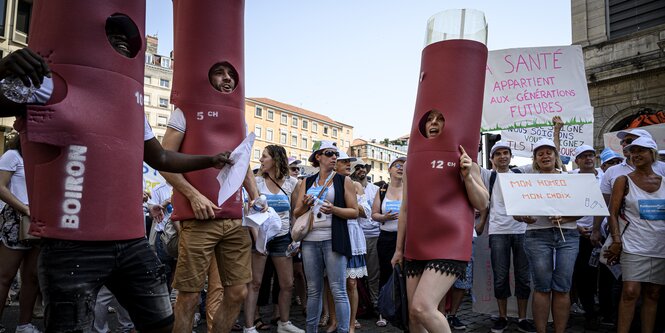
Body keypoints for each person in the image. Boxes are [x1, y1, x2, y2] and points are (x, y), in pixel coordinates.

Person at [0, 16, 236, 331]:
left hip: (130, 241)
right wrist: (4, 70)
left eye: (126, 45)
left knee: (162, 325)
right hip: (73, 244)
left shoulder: (133, 106)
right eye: (112, 40)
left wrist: (209, 159)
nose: (119, 50)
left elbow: (161, 157)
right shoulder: (53, 84)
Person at [161, 61, 260, 332]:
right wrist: (193, 196)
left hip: (234, 219)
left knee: (238, 291)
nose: (227, 78)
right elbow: (164, 160)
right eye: (219, 72)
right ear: (207, 77)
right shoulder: (184, 112)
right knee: (189, 295)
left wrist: (256, 195)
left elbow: (242, 163)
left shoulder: (238, 117)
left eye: (231, 74)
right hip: (199, 219)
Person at [391, 110, 489, 333]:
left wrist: (467, 176)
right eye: (429, 119)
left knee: (422, 307)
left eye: (440, 118)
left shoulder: (465, 159)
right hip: (416, 243)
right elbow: (406, 208)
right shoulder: (410, 164)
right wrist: (399, 249)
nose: (433, 123)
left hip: (449, 242)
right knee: (414, 318)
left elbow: (482, 203)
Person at [515, 138, 580, 333]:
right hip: (537, 236)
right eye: (540, 153)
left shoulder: (570, 180)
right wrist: (523, 217)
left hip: (568, 236)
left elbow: (583, 209)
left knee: (562, 287)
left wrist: (566, 217)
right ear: (535, 159)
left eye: (549, 152)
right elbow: (516, 211)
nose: (545, 156)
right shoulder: (526, 182)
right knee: (542, 286)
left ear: (555, 155)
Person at [293, 140, 358, 333]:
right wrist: (305, 203)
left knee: (338, 290)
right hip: (310, 241)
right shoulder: (307, 181)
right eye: (329, 153)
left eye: (335, 154)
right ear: (318, 157)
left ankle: (343, 330)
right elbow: (297, 212)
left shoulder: (343, 180)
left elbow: (354, 212)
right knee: (313, 291)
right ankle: (310, 330)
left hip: (333, 239)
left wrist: (334, 209)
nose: (334, 157)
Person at [604, 136, 665, 333]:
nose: (635, 155)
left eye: (641, 151)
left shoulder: (663, 181)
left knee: (653, 293)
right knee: (630, 292)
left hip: (659, 244)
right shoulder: (623, 180)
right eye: (633, 151)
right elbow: (612, 213)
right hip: (633, 243)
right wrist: (616, 240)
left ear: (652, 154)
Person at [475, 141, 535, 333]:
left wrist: (556, 132)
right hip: (498, 232)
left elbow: (546, 158)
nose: (503, 156)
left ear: (511, 156)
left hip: (522, 231)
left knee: (523, 277)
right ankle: (502, 317)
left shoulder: (521, 173)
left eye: (506, 153)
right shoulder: (488, 176)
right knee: (500, 277)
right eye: (498, 154)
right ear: (491, 159)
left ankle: (523, 318)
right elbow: (471, 163)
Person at [243, 145, 303, 333]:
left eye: (264, 156)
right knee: (255, 283)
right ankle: (249, 326)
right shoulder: (257, 182)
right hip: (260, 236)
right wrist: (257, 241)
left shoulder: (292, 183)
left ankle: (284, 323)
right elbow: (249, 212)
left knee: (287, 283)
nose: (261, 160)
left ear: (276, 159)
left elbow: (295, 212)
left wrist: (295, 237)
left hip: (283, 237)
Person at [0, 135, 40, 333]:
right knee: (5, 276)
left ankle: (24, 325)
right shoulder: (12, 155)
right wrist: (24, 209)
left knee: (31, 277)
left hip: (38, 220)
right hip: (17, 219)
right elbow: (0, 187)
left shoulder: (39, 158)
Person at [334, 151, 370, 333]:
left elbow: (365, 212)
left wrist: (352, 203)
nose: (349, 164)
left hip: (353, 236)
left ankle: (351, 323)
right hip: (333, 234)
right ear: (334, 163)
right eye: (344, 161)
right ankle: (333, 319)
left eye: (350, 162)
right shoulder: (329, 183)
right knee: (331, 282)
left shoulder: (356, 185)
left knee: (352, 283)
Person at [569, 144, 603, 330]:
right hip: (576, 233)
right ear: (577, 161)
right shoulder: (570, 178)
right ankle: (582, 310)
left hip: (599, 235)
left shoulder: (604, 177)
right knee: (577, 275)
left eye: (591, 155)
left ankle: (596, 312)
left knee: (594, 276)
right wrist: (576, 226)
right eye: (584, 156)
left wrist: (597, 230)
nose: (588, 159)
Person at [371, 156, 405, 327]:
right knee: (385, 273)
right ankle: (383, 311)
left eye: (405, 166)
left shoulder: (411, 189)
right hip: (386, 238)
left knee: (406, 275)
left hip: (406, 238)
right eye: (397, 165)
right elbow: (374, 214)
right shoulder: (382, 190)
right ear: (389, 169)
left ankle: (404, 310)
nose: (401, 168)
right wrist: (385, 217)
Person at [350, 160, 380, 310]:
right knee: (356, 275)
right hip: (356, 235)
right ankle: (362, 304)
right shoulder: (349, 186)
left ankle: (374, 302)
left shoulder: (375, 189)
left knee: (373, 272)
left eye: (363, 167)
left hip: (373, 234)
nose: (361, 170)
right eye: (357, 167)